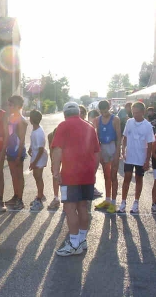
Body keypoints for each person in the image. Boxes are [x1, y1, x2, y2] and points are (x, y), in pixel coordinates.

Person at [52, 102, 100, 256]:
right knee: (83, 207)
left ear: (65, 113)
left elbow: (57, 150)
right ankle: (81, 239)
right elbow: (97, 153)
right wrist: (92, 171)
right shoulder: (89, 127)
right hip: (87, 174)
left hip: (70, 175)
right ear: (79, 113)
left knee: (69, 208)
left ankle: (74, 244)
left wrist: (55, 171)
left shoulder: (63, 126)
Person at [119, 102, 155, 213]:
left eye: (137, 113)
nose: (134, 115)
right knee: (127, 178)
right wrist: (123, 151)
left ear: (143, 112)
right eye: (133, 112)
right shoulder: (129, 122)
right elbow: (124, 138)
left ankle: (136, 203)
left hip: (141, 158)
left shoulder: (148, 126)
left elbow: (150, 145)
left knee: (139, 179)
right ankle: (123, 202)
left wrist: (147, 160)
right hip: (130, 156)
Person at [94, 100, 121, 214]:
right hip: (103, 148)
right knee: (106, 176)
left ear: (109, 108)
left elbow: (119, 138)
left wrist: (117, 153)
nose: (104, 113)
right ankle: (107, 200)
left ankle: (114, 203)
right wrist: (99, 153)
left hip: (113, 146)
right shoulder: (97, 120)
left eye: (106, 111)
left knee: (114, 176)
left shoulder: (115, 119)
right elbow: (97, 138)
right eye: (102, 112)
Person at [5, 95, 27, 210]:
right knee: (13, 175)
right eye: (8, 104)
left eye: (11, 105)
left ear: (18, 106)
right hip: (10, 149)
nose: (9, 107)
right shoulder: (11, 117)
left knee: (19, 175)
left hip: (17, 151)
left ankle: (20, 199)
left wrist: (19, 154)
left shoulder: (22, 120)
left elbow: (22, 139)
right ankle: (15, 196)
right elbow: (8, 134)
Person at [28, 110, 48, 211]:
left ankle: (39, 200)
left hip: (39, 157)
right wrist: (30, 148)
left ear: (31, 120)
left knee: (38, 177)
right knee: (36, 176)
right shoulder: (35, 129)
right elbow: (33, 142)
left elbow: (40, 149)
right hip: (36, 155)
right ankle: (40, 195)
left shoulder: (39, 132)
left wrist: (34, 162)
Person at [47, 128, 61, 210]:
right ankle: (56, 198)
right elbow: (51, 150)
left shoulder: (67, 136)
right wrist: (53, 164)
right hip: (56, 152)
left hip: (66, 151)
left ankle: (66, 199)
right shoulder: (50, 136)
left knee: (66, 174)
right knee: (55, 175)